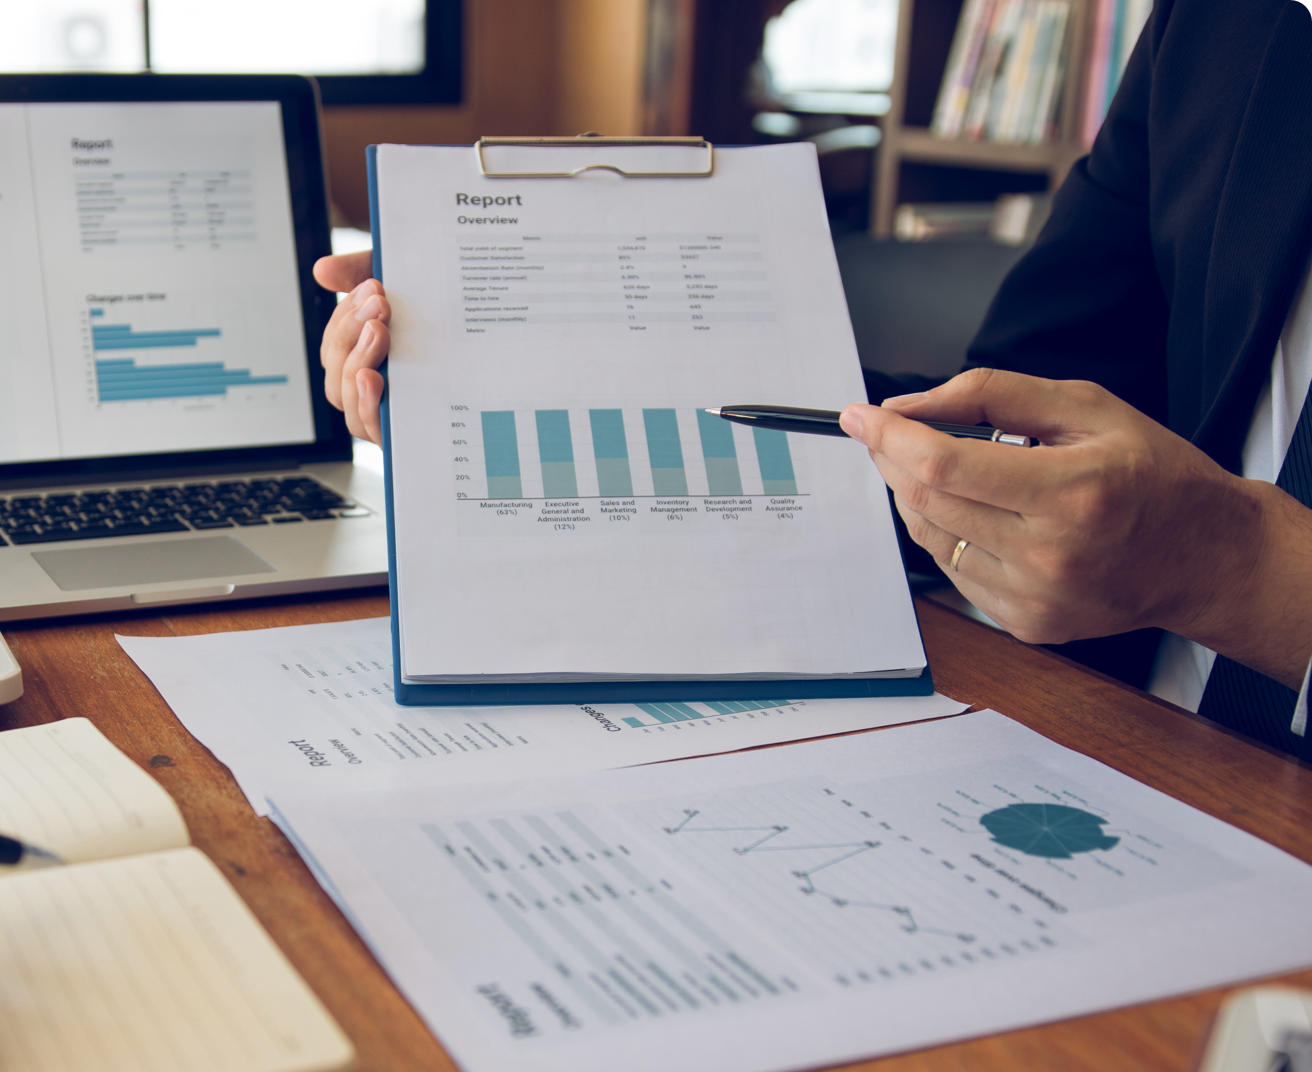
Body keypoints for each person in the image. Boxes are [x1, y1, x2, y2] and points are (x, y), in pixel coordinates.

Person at [313, 0, 1312, 761]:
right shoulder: (1229, 23)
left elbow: (1184, 530)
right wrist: (508, 349)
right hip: (1114, 740)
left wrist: (1248, 576)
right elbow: (1026, 408)